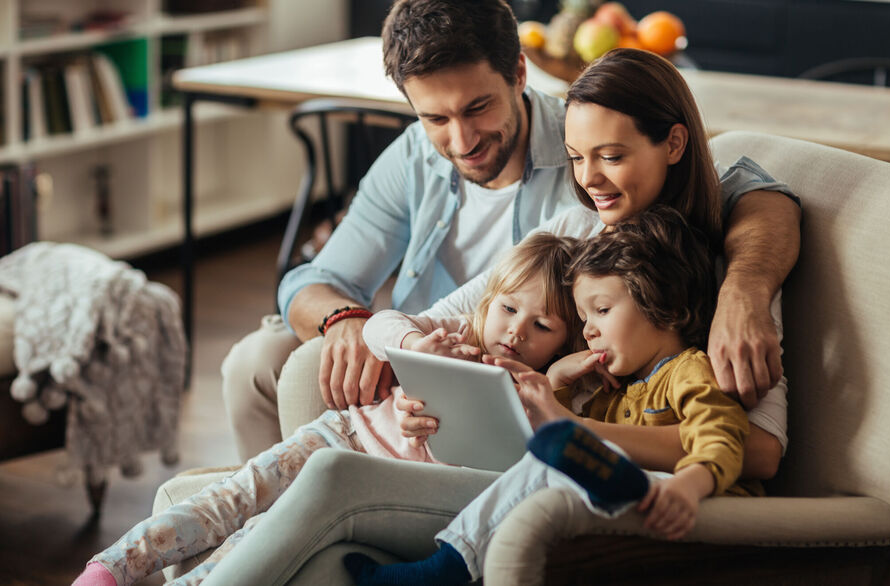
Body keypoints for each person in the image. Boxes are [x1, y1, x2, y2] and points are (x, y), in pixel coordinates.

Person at [189, 47, 799, 586]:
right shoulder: (579, 228)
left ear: (671, 144)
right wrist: (421, 374)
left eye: (610, 156)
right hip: (522, 457)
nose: (587, 181)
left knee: (331, 479)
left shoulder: (729, 263)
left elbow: (761, 450)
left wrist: (575, 431)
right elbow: (429, 323)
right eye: (577, 159)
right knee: (322, 548)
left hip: (589, 480)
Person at [220, 0, 800, 467]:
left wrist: (744, 289)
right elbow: (328, 283)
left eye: (477, 107)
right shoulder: (576, 220)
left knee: (322, 483)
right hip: (436, 364)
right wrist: (367, 330)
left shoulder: (609, 193)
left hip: (527, 421)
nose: (462, 139)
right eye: (435, 119)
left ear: (520, 74)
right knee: (263, 366)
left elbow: (742, 183)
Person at [72, 233, 583, 586]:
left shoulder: (530, 391)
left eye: (542, 327)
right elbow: (381, 325)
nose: (517, 331)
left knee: (259, 534)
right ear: (488, 302)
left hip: (375, 477)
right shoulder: (451, 335)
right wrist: (415, 346)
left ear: (563, 341)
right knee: (236, 495)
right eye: (510, 309)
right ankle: (112, 565)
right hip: (341, 432)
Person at [344, 206, 762, 586]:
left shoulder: (689, 370)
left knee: (555, 455)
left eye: (601, 311)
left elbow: (723, 433)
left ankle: (446, 567)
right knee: (551, 452)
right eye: (582, 319)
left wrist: (691, 484)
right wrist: (554, 387)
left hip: (694, 503)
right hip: (633, 501)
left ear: (663, 306)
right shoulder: (612, 395)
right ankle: (603, 476)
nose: (589, 332)